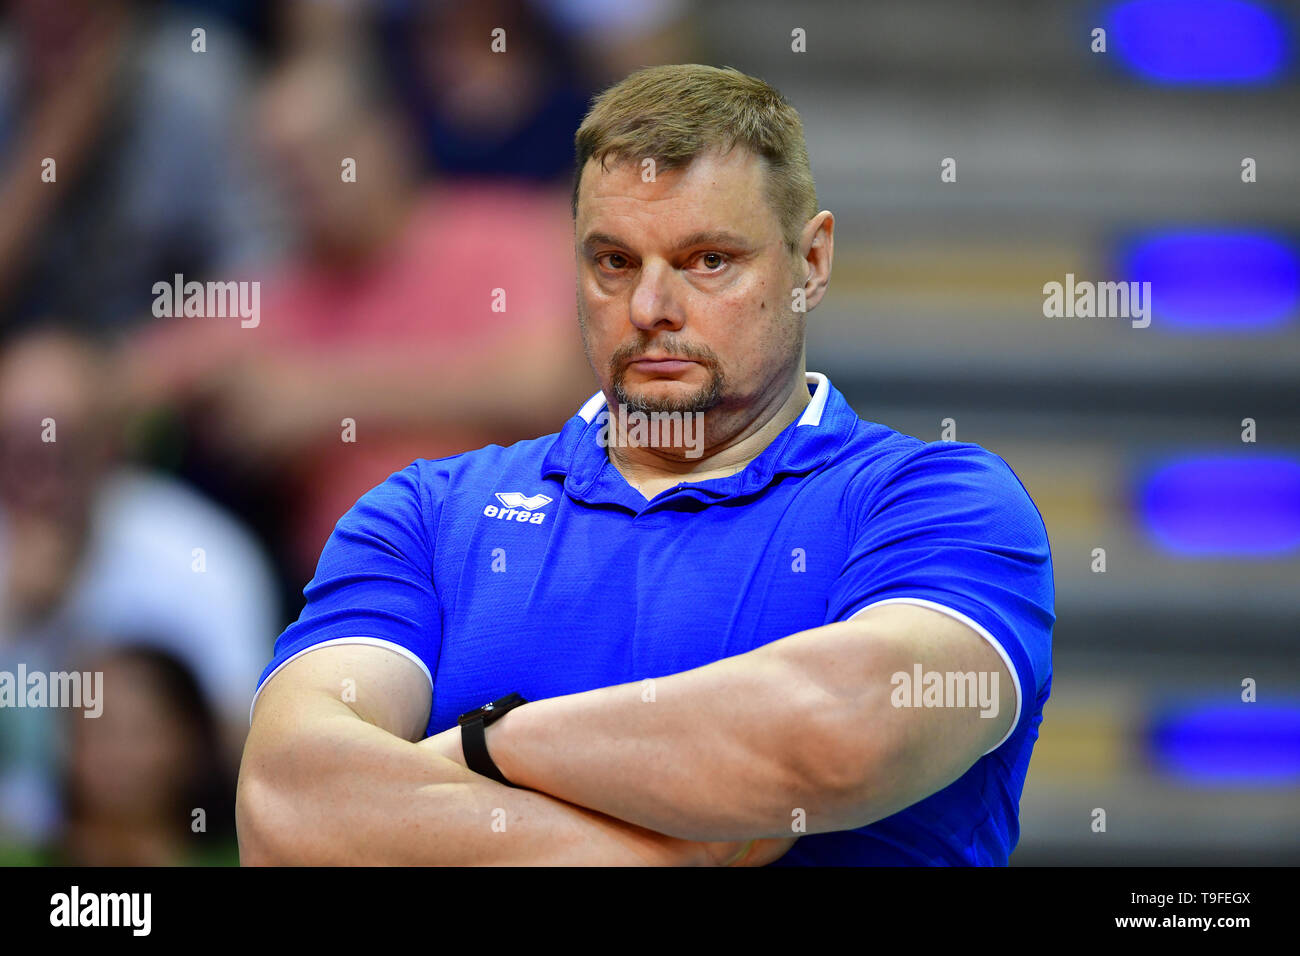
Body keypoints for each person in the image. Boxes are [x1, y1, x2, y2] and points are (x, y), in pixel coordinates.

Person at [237, 64, 1055, 866]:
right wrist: (670, 844)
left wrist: (484, 746)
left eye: (707, 261)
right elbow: (286, 804)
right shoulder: (428, 512)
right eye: (614, 262)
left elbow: (835, 733)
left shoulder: (937, 502)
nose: (650, 309)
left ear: (811, 263)